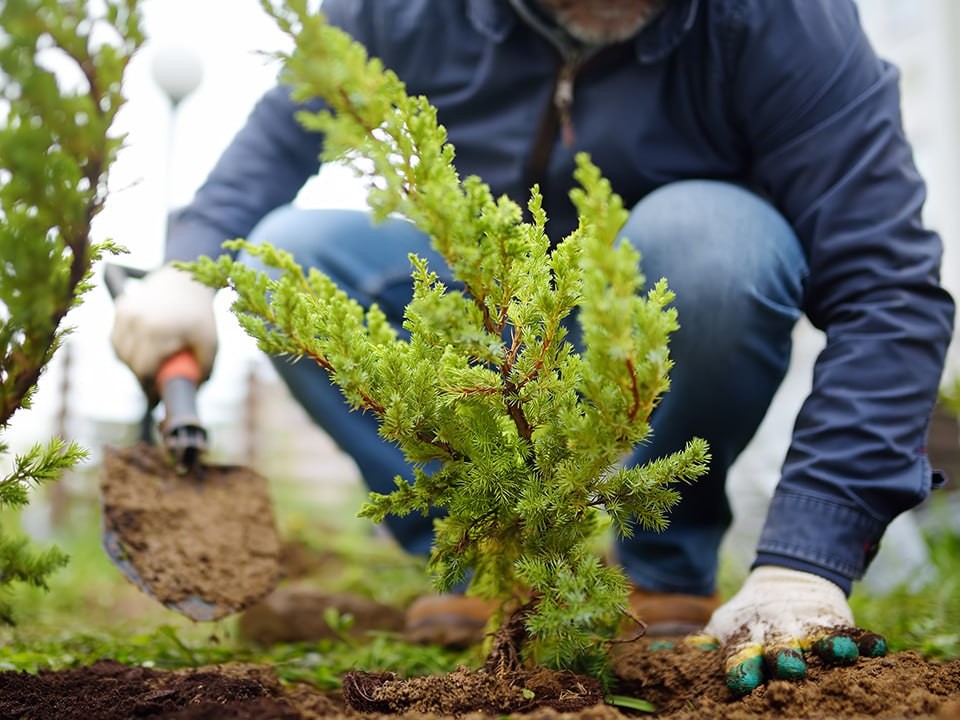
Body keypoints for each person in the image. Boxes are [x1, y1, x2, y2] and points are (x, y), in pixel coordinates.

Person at [111, 0, 956, 694]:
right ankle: (490, 557)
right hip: (495, 314)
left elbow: (887, 287)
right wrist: (189, 267)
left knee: (712, 242)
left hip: (665, 313)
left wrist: (805, 562)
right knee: (279, 257)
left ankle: (664, 559)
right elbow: (277, 140)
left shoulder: (784, 22)